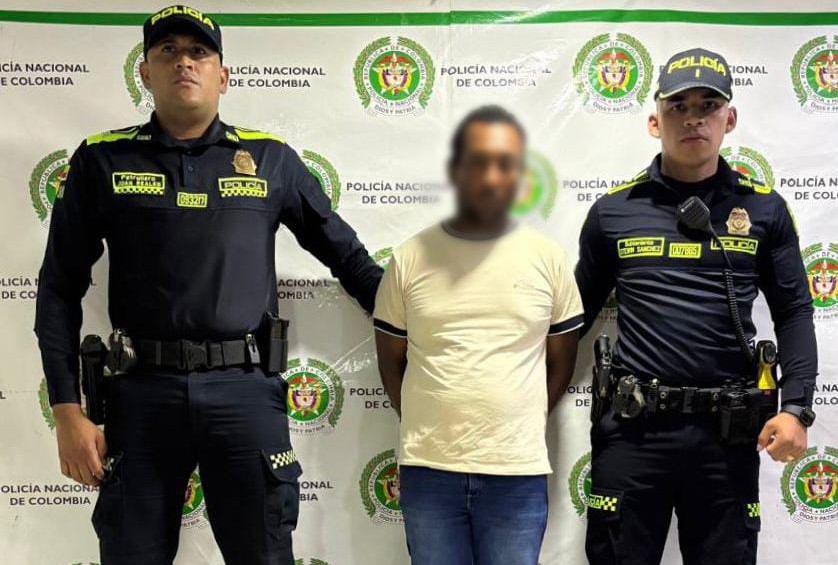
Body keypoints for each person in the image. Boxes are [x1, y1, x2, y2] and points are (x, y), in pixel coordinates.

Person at [34, 5, 382, 564]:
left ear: (223, 75)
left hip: (244, 392)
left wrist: (421, 317)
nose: (184, 62)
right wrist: (66, 410)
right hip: (141, 395)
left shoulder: (270, 160)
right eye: (167, 51)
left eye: (199, 52)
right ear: (144, 72)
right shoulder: (102, 159)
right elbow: (58, 288)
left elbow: (349, 259)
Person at [575, 48, 818, 565]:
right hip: (633, 432)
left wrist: (796, 407)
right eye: (678, 106)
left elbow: (795, 313)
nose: (693, 118)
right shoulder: (614, 211)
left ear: (729, 119)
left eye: (708, 105)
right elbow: (573, 317)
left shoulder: (764, 209)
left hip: (726, 437)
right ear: (654, 121)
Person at [373, 105, 584, 565]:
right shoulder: (410, 258)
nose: (491, 175)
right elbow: (391, 361)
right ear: (455, 170)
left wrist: (513, 421)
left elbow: (561, 362)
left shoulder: (548, 259)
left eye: (504, 163)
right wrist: (433, 422)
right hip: (430, 471)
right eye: (478, 161)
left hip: (517, 473)